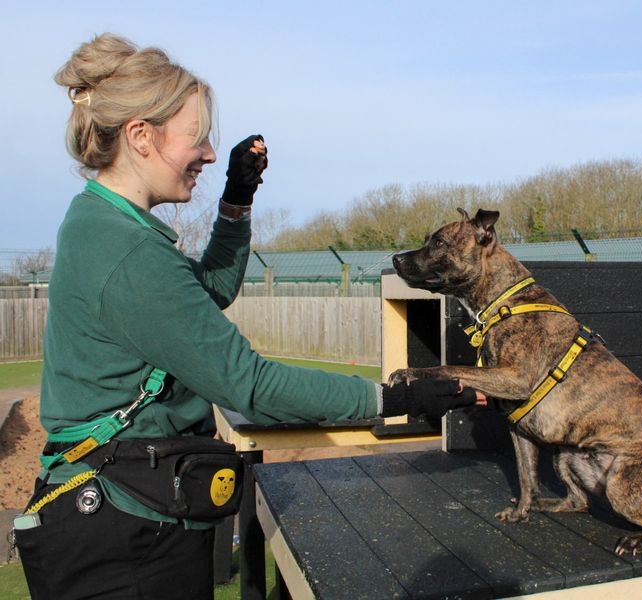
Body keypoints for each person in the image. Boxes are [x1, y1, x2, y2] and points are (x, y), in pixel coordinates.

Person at [14, 33, 477, 600]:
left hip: (119, 511)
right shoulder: (126, 250)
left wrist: (236, 199)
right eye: (197, 137)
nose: (208, 153)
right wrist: (396, 399)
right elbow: (250, 385)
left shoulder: (106, 226)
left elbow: (206, 290)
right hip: (125, 533)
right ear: (140, 136)